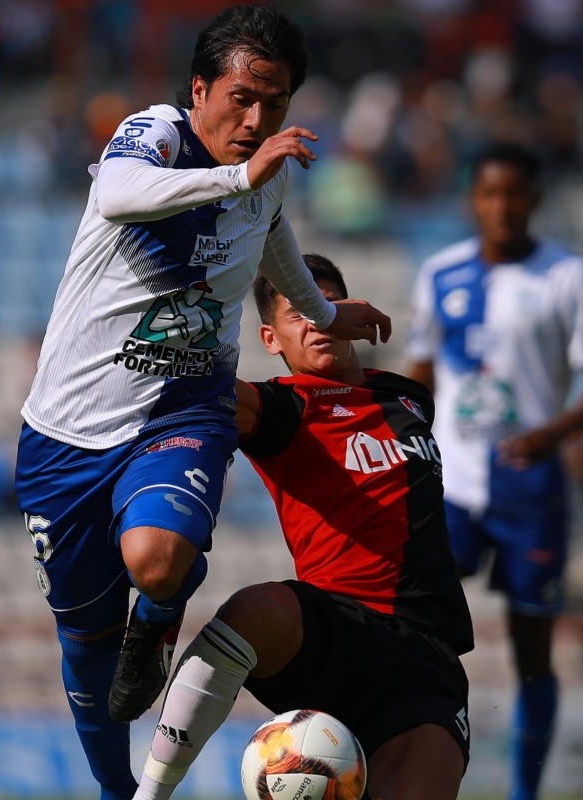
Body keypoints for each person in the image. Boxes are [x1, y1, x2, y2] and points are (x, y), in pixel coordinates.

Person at [13, 7, 391, 800]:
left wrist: (322, 316)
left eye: (276, 104)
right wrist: (239, 176)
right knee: (86, 654)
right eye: (242, 98)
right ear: (199, 89)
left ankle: (160, 612)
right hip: (66, 433)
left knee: (158, 561)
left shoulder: (267, 173)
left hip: (184, 406)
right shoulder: (155, 135)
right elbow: (118, 194)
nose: (257, 121)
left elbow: (271, 226)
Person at [132, 253, 474, 800]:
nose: (318, 321)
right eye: (300, 313)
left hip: (425, 659)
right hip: (333, 633)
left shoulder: (410, 398)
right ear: (271, 339)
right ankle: (149, 795)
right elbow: (203, 389)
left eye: (328, 305)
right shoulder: (284, 408)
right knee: (253, 611)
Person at [405, 141, 583, 800]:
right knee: (418, 634)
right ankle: (412, 771)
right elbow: (420, 373)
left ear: (534, 200)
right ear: (473, 200)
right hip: (452, 484)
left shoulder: (567, 276)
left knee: (534, 653)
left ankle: (524, 792)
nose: (502, 207)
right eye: (489, 194)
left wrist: (554, 433)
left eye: (514, 194)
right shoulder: (440, 272)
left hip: (531, 489)